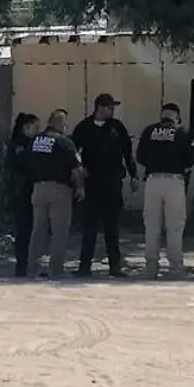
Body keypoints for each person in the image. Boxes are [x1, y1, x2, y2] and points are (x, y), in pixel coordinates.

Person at [71, 93, 138, 277]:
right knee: (89, 227)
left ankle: (115, 266)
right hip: (91, 183)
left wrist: (134, 175)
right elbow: (73, 150)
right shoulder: (84, 127)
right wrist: (79, 168)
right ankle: (84, 267)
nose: (112, 110)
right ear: (99, 107)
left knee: (112, 227)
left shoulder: (117, 127)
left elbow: (127, 152)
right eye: (109, 107)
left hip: (112, 182)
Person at [18, 110, 86, 279]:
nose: (66, 126)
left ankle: (33, 268)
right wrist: (80, 187)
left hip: (38, 188)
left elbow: (25, 163)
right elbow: (77, 169)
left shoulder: (35, 141)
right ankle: (56, 270)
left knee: (38, 231)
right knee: (59, 231)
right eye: (64, 123)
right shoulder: (64, 142)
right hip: (59, 190)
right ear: (59, 123)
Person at [135, 101, 194, 279]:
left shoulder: (149, 131)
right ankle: (176, 269)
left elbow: (140, 156)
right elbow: (191, 159)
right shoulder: (181, 132)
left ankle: (151, 268)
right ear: (176, 116)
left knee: (152, 226)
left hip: (153, 181)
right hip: (174, 182)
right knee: (175, 226)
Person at [6, 113, 41, 277]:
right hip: (22, 191)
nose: (37, 131)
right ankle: (22, 265)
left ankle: (31, 263)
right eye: (35, 128)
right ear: (25, 128)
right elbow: (22, 165)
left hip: (30, 190)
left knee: (34, 229)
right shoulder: (18, 145)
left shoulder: (31, 143)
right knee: (24, 230)